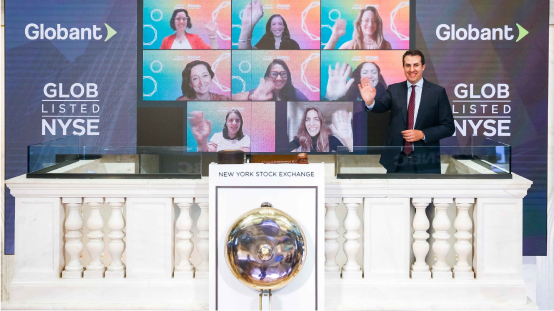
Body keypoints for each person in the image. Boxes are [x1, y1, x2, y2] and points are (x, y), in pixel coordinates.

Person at [359, 50, 454, 173]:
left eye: (416, 65)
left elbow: (448, 127)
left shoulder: (437, 92)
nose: (411, 69)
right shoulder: (394, 89)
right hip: (397, 160)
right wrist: (370, 101)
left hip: (425, 160)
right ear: (403, 67)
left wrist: (423, 134)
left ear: (423, 67)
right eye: (408, 65)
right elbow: (380, 105)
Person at [232, 59, 308, 101]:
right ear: (267, 77)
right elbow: (233, 98)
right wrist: (252, 97)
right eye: (274, 74)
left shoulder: (295, 93)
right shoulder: (261, 91)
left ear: (288, 76)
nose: (279, 78)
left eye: (283, 74)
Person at [324, 6, 391, 50]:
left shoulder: (385, 45)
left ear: (377, 24)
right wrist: (335, 36)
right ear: (359, 24)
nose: (370, 24)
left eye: (374, 21)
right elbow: (324, 56)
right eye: (366, 20)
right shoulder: (350, 45)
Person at [288, 107, 353, 152]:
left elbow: (352, 160)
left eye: (316, 119)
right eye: (307, 119)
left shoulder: (331, 140)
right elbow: (282, 151)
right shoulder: (299, 140)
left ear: (321, 123)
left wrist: (347, 139)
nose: (311, 123)